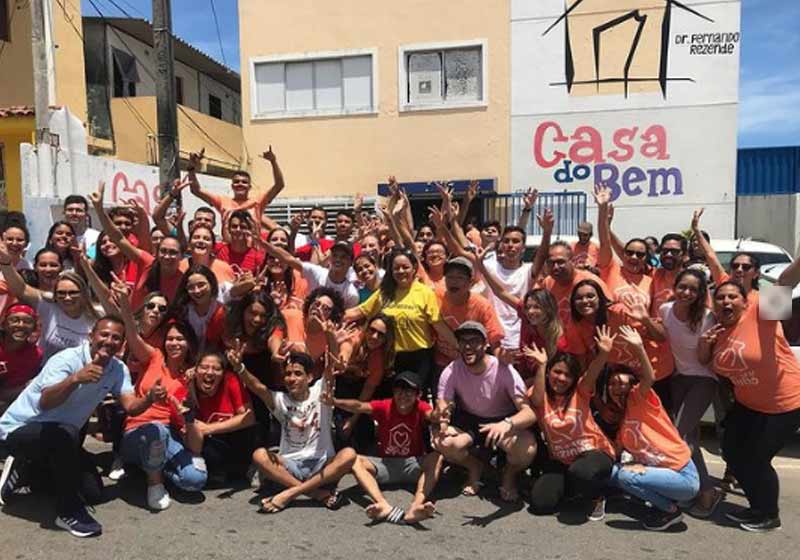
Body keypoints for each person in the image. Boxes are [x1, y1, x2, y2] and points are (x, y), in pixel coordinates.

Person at [0, 317, 161, 537]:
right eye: (104, 334)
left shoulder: (117, 369)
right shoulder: (66, 359)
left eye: (116, 337)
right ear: (91, 336)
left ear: (122, 344)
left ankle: (28, 469)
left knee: (92, 492)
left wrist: (149, 398)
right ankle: (68, 512)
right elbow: (45, 402)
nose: (109, 340)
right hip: (22, 429)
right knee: (65, 434)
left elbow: (131, 406)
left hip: (61, 440)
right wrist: (75, 379)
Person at [699, 281, 800, 532]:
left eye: (732, 296)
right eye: (720, 297)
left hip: (784, 404)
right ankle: (756, 507)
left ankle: (769, 515)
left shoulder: (761, 318)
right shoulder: (718, 332)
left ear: (745, 302)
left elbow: (784, 284)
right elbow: (706, 362)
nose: (726, 301)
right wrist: (705, 344)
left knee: (757, 460)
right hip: (747, 405)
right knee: (732, 452)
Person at [116, 283, 208, 510]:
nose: (175, 343)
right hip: (137, 430)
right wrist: (126, 306)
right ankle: (154, 484)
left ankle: (150, 465)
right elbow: (132, 334)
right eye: (171, 339)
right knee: (154, 431)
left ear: (189, 344)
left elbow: (188, 426)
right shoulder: (154, 356)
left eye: (180, 339)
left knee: (194, 480)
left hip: (169, 434)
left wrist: (186, 413)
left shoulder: (191, 378)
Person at [235, 350, 357, 513]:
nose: (291, 379)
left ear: (309, 377)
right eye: (288, 374)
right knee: (259, 455)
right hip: (291, 466)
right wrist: (239, 367)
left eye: (298, 374)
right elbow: (256, 387)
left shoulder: (321, 392)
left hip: (321, 465)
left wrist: (329, 335)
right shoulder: (280, 400)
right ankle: (316, 493)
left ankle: (290, 492)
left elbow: (331, 367)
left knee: (349, 454)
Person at [608, 326, 700, 531]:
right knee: (612, 473)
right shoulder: (622, 423)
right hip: (659, 473)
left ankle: (669, 510)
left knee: (625, 476)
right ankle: (654, 497)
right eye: (613, 384)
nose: (617, 388)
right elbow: (618, 452)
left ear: (633, 386)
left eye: (622, 383)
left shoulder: (639, 399)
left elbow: (648, 377)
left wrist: (639, 347)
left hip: (683, 477)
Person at [433, 321, 537, 502]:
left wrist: (507, 424)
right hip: (470, 422)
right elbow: (443, 403)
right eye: (463, 341)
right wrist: (442, 420)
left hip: (501, 421)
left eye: (474, 341)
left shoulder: (504, 370)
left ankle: (509, 475)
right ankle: (475, 467)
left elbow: (529, 413)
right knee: (442, 441)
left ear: (486, 344)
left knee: (527, 449)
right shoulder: (452, 370)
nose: (468, 346)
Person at [325, 370, 444, 524]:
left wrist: (439, 414)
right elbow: (359, 406)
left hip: (413, 464)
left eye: (409, 391)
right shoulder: (385, 406)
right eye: (399, 390)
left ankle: (416, 505)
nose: (403, 395)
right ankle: (381, 503)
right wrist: (334, 401)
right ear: (394, 391)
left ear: (418, 395)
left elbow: (431, 416)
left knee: (437, 457)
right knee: (354, 460)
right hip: (386, 464)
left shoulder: (421, 407)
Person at [526, 327, 617, 521]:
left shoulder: (581, 391)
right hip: (561, 461)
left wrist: (604, 354)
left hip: (594, 453)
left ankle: (597, 496)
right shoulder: (541, 395)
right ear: (549, 372)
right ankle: (574, 489)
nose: (561, 378)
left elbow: (592, 372)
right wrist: (542, 365)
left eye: (567, 375)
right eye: (557, 372)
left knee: (581, 472)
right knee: (540, 504)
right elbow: (535, 400)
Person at [345, 248, 458, 391]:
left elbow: (438, 324)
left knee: (415, 398)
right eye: (396, 268)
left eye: (405, 267)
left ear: (414, 268)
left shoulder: (425, 292)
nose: (400, 271)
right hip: (391, 357)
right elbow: (358, 311)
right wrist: (330, 317)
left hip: (420, 357)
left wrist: (459, 345)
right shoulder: (385, 292)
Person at [0, 244, 99, 361]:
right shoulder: (48, 306)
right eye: (61, 293)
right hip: (45, 374)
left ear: (83, 294)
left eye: (73, 293)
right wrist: (6, 263)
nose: (67, 297)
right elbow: (21, 289)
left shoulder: (97, 315)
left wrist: (87, 268)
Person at [183, 349, 256, 485]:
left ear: (223, 374)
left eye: (216, 369)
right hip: (205, 444)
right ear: (195, 370)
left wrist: (208, 428)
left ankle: (242, 470)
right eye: (204, 367)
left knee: (249, 432)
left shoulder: (231, 380)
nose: (209, 372)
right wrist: (190, 388)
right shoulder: (188, 384)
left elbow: (248, 417)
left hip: (231, 441)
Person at [434, 256, 504, 380]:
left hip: (474, 365)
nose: (453, 282)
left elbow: (494, 339)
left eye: (460, 278)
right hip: (442, 363)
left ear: (470, 282)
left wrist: (503, 364)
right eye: (450, 277)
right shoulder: (435, 297)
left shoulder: (482, 305)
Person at [333, 314, 396, 450]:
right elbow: (345, 351)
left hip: (360, 390)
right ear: (366, 329)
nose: (374, 337)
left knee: (364, 436)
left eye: (380, 334)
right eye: (372, 330)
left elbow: (368, 389)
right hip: (339, 384)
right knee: (341, 431)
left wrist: (352, 420)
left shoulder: (378, 357)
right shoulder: (354, 337)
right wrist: (345, 362)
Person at [263, 239, 359, 308]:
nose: (338, 259)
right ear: (330, 258)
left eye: (343, 257)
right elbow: (287, 258)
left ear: (351, 262)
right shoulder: (316, 272)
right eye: (335, 255)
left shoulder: (351, 294)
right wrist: (261, 242)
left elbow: (345, 318)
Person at [0, 304, 43, 411]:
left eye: (27, 322)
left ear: (33, 327)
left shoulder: (34, 355)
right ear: (3, 324)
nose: (21, 325)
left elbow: (10, 391)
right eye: (14, 320)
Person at [215, 209, 266, 274]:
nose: (238, 230)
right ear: (229, 229)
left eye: (243, 227)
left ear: (249, 230)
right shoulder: (218, 250)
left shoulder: (257, 257)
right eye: (234, 226)